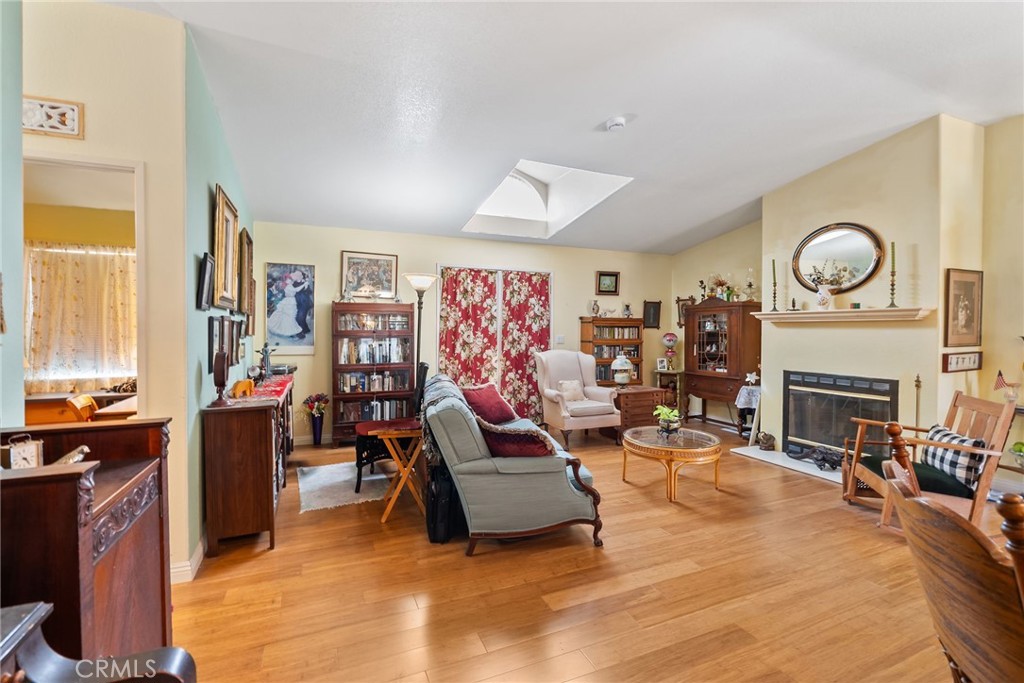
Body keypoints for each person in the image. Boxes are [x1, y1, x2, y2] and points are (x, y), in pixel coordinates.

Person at [292, 270, 313, 340]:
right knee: (299, 317)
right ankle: (305, 330)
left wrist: (306, 287)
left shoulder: (305, 283)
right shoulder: (294, 283)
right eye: (296, 275)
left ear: (301, 276)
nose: (298, 277)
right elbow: (294, 291)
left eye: (299, 275)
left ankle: (300, 334)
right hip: (297, 302)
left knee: (300, 317)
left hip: (304, 302)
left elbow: (310, 292)